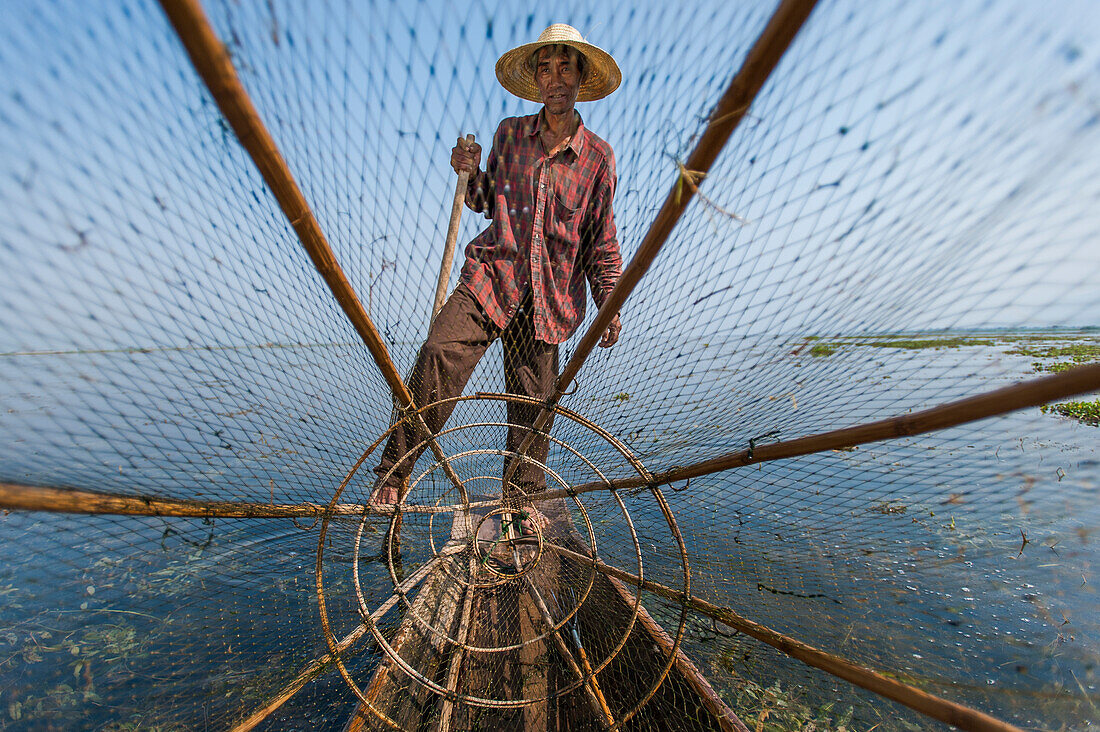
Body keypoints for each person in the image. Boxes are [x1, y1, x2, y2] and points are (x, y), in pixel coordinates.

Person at [371, 24, 624, 505]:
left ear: (579, 78)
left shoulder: (598, 158)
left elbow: (600, 239)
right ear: (535, 79)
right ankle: (394, 472)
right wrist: (469, 174)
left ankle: (520, 506)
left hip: (548, 299)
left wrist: (608, 301)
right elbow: (488, 199)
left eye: (564, 67)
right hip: (493, 275)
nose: (554, 79)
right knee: (437, 354)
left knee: (533, 409)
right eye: (545, 69)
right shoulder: (509, 135)